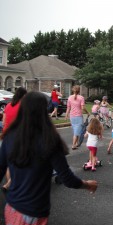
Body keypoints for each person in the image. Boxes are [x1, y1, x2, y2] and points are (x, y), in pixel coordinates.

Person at [0, 91, 98, 224]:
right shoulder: (49, 140)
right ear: (44, 110)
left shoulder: (10, 135)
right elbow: (67, 178)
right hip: (33, 212)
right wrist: (87, 185)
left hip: (11, 207)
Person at [1, 87, 27, 194]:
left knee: (8, 162)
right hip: (18, 136)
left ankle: (10, 184)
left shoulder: (7, 105)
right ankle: (10, 183)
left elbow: (4, 121)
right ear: (23, 96)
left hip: (6, 135)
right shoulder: (23, 106)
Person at [65, 85, 90, 150]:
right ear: (79, 90)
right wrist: (87, 112)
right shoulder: (81, 97)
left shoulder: (70, 97)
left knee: (75, 130)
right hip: (78, 116)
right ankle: (73, 145)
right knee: (77, 132)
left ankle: (75, 143)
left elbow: (68, 107)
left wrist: (66, 115)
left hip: (72, 116)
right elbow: (83, 108)